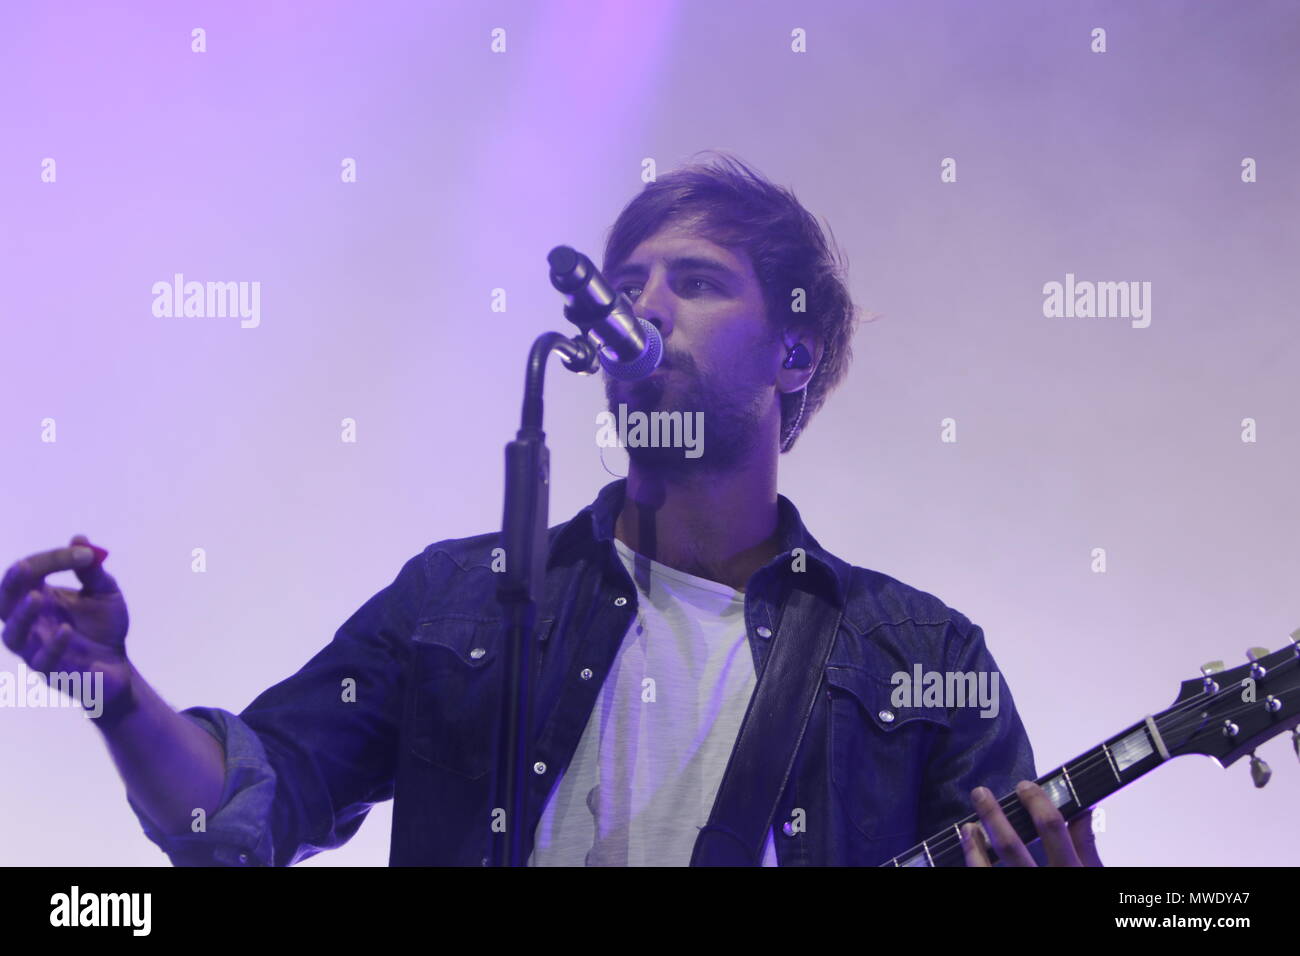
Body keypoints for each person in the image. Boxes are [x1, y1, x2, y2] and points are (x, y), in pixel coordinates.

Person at [1, 152, 1102, 867]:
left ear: (792, 350)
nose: (645, 306)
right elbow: (238, 814)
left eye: (698, 280)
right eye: (627, 285)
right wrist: (114, 695)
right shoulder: (456, 599)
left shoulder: (915, 651)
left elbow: (1028, 849)